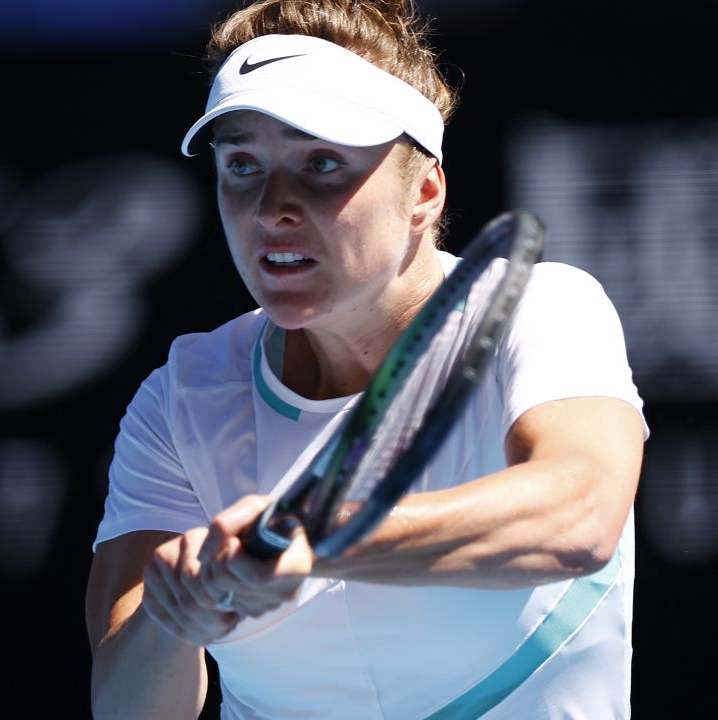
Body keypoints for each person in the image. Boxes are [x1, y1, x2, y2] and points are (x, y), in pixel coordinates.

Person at [85, 1, 648, 717]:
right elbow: (127, 707)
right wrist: (174, 617)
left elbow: (581, 515)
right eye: (243, 166)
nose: (271, 208)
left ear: (425, 191)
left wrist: (319, 536)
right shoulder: (181, 398)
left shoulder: (540, 307)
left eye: (321, 163)